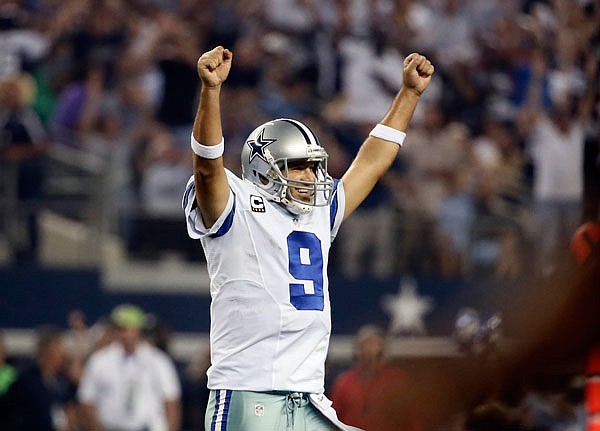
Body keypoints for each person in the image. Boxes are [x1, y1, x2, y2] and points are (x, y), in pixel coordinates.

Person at [182, 45, 433, 430]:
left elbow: (371, 162)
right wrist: (211, 92)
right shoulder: (237, 204)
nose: (311, 178)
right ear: (263, 171)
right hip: (250, 395)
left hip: (309, 396)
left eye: (314, 167)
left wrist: (409, 95)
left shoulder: (319, 211)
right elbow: (207, 169)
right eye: (297, 168)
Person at [78, 304, 181, 431]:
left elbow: (171, 402)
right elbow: (87, 399)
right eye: (119, 329)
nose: (124, 334)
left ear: (138, 329)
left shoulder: (159, 361)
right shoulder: (99, 360)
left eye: (127, 328)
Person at [330, 325, 422, 431]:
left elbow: (410, 417)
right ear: (358, 349)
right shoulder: (344, 382)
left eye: (374, 344)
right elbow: (334, 419)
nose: (369, 349)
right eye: (365, 344)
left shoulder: (396, 381)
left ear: (382, 349)